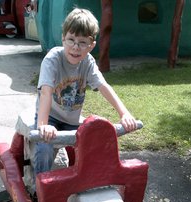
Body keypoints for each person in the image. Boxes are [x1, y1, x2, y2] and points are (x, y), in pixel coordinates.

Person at [34, 8, 136, 176]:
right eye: (71, 40)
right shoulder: (53, 59)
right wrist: (43, 125)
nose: (75, 47)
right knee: (44, 147)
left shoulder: (88, 62)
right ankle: (40, 186)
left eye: (82, 42)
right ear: (63, 38)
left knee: (92, 145)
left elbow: (104, 86)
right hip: (50, 117)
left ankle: (87, 179)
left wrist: (124, 113)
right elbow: (46, 92)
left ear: (91, 45)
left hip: (71, 119)